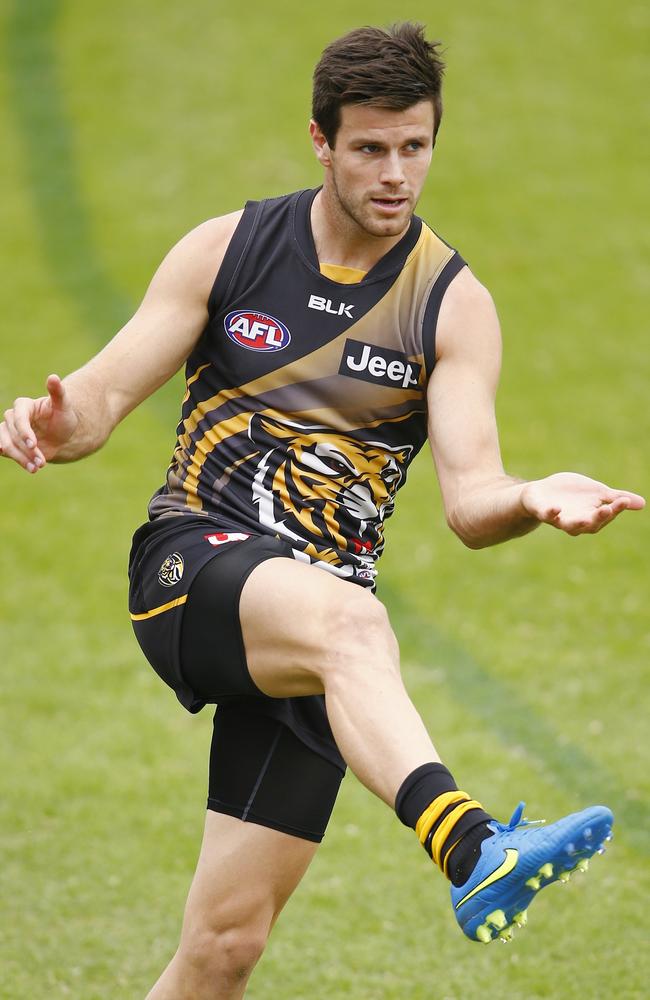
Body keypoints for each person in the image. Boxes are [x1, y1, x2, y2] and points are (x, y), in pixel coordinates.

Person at [1, 21, 644, 1000]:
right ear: (320, 141)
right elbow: (95, 401)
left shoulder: (448, 304)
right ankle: (472, 849)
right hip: (193, 568)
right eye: (370, 149)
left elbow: (470, 503)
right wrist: (54, 418)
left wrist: (528, 497)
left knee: (223, 947)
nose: (394, 174)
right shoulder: (232, 248)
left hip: (314, 639)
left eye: (414, 147)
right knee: (354, 621)